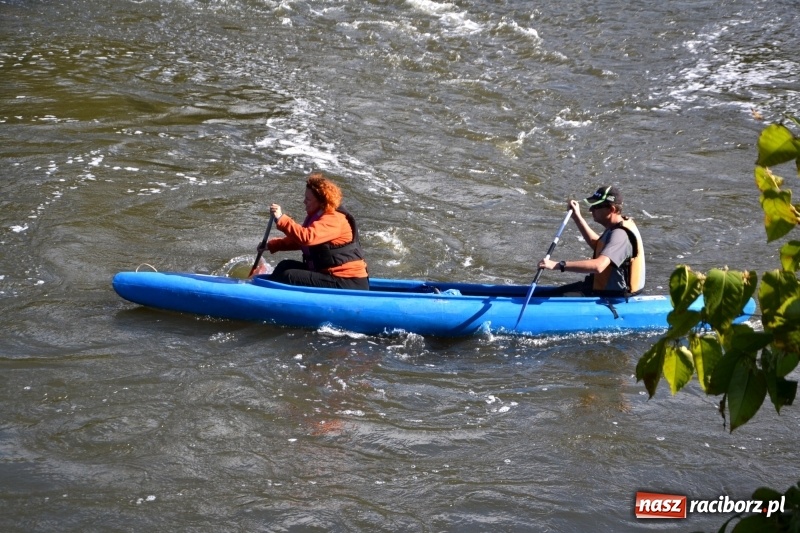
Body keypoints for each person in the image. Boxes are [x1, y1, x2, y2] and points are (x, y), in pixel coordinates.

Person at [257, 172, 369, 290]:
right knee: (285, 266)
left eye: (308, 199)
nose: (304, 202)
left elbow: (307, 238)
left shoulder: (334, 218)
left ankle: (268, 300)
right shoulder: (317, 215)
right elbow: (300, 242)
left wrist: (281, 218)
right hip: (328, 274)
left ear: (321, 201)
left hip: (348, 281)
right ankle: (263, 290)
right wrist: (272, 245)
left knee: (288, 276)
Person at [538, 185, 645, 297]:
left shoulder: (620, 235)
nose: (590, 210)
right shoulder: (616, 225)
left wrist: (558, 265)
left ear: (611, 209)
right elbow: (598, 244)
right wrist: (577, 217)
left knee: (547, 297)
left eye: (596, 206)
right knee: (546, 294)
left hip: (610, 296)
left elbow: (598, 266)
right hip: (597, 288)